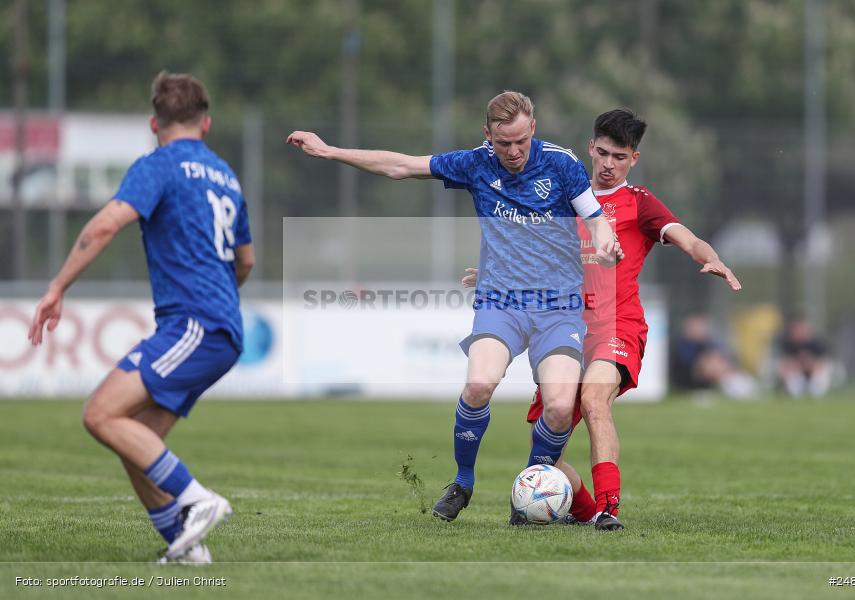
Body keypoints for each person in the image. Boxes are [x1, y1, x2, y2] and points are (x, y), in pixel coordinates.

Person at [287, 91, 622, 522]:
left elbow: (593, 215)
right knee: (479, 384)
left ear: (533, 129)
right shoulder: (475, 163)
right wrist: (330, 151)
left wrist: (604, 237)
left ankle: (532, 484)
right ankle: (463, 482)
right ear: (488, 136)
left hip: (558, 306)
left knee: (560, 407)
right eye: (504, 144)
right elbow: (400, 166)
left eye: (521, 141)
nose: (514, 152)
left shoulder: (560, 163)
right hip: (501, 301)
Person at [28, 71, 255, 563]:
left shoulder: (159, 164)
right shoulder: (226, 176)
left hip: (195, 323)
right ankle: (184, 544)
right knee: (136, 438)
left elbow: (107, 223)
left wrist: (57, 287)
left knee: (99, 413)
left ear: (155, 123)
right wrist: (218, 298)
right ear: (207, 124)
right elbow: (247, 261)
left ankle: (198, 500)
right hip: (219, 327)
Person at [507, 108, 742, 530]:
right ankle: (576, 509)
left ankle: (607, 508)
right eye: (602, 153)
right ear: (590, 149)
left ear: (633, 159)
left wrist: (712, 258)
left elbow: (687, 237)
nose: (609, 164)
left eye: (619, 156)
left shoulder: (640, 203)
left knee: (595, 399)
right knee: (548, 446)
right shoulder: (561, 198)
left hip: (617, 326)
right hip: (563, 331)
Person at [671, 313, 757, 399]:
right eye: (697, 327)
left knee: (715, 360)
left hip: (709, 378)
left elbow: (720, 355)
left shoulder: (708, 343)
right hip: (688, 380)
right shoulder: (684, 345)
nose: (701, 329)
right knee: (710, 363)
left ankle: (735, 381)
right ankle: (735, 385)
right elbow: (690, 364)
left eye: (702, 326)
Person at [776, 316, 834, 397]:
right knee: (790, 375)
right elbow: (785, 364)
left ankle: (816, 394)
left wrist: (809, 364)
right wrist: (798, 365)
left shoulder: (817, 343)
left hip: (814, 373)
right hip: (797, 373)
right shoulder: (787, 344)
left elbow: (823, 363)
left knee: (822, 374)